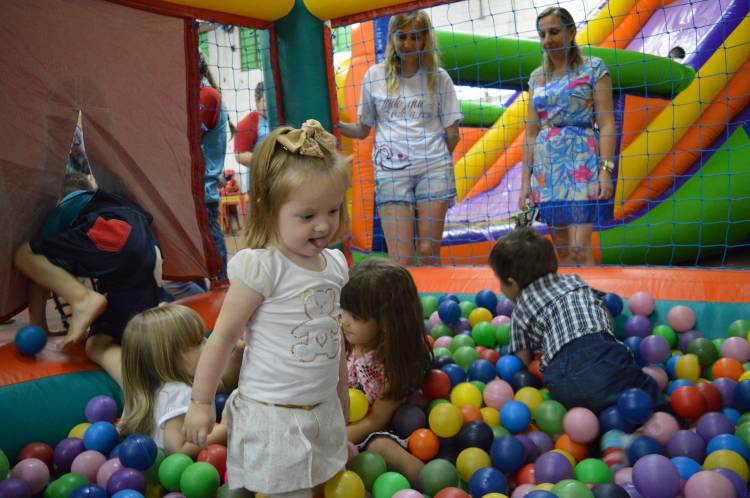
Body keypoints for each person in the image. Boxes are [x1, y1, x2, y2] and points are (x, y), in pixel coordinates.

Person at [183, 120, 351, 497]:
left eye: (333, 210)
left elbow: (332, 336)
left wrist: (341, 393)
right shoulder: (263, 267)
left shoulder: (335, 265)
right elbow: (222, 337)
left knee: (317, 484)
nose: (324, 225)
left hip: (320, 408)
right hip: (276, 416)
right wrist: (200, 402)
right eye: (307, 216)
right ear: (269, 210)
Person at [488, 227, 663, 414]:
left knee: (586, 406)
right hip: (608, 353)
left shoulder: (521, 309)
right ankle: (662, 417)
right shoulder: (574, 281)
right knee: (645, 394)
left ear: (512, 283)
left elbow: (522, 361)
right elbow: (604, 307)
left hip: (564, 375)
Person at [338, 10, 462, 266]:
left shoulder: (438, 78)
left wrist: (434, 158)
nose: (407, 44)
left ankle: (432, 292)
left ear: (425, 39)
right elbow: (362, 130)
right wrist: (335, 125)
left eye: (415, 37)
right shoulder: (375, 76)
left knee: (428, 249)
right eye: (401, 37)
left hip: (433, 168)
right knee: (401, 256)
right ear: (392, 38)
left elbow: (453, 134)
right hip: (391, 171)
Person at [14, 172, 162, 385]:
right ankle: (148, 394)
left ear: (58, 198)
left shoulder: (65, 208)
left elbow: (38, 274)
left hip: (114, 231)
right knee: (98, 344)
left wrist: (39, 327)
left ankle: (83, 299)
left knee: (24, 255)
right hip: (150, 251)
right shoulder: (112, 202)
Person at [519, 7, 616, 265]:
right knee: (561, 250)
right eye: (542, 34)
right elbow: (531, 132)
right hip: (547, 167)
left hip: (582, 161)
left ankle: (587, 290)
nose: (547, 40)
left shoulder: (593, 68)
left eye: (554, 32)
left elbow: (607, 124)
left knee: (579, 248)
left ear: (571, 32)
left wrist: (605, 171)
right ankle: (568, 290)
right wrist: (525, 181)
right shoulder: (537, 77)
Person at [341, 258, 432, 485]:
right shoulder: (344, 337)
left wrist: (332, 440)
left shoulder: (394, 364)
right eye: (344, 311)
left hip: (379, 427)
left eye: (356, 317)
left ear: (386, 322)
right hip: (339, 417)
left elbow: (376, 420)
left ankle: (436, 485)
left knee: (381, 448)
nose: (345, 322)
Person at [119, 304, 243, 456]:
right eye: (198, 343)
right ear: (167, 360)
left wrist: (237, 354)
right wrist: (226, 428)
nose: (208, 345)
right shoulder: (180, 392)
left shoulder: (144, 391)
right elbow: (178, 450)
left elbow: (222, 386)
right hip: (175, 467)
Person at [234, 81, 269, 191]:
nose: (271, 104)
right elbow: (239, 155)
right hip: (259, 184)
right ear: (257, 101)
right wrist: (268, 160)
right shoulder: (248, 123)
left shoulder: (278, 118)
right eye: (266, 100)